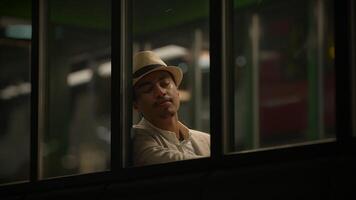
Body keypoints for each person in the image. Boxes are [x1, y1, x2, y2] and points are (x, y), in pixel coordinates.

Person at [132, 50, 210, 166]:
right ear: (135, 104)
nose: (160, 92)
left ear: (177, 91)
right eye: (147, 89)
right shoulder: (135, 139)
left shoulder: (206, 140)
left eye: (164, 83)